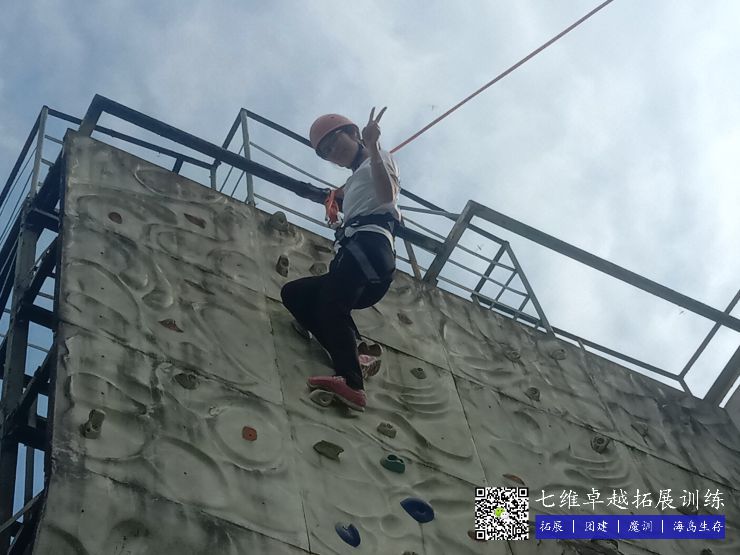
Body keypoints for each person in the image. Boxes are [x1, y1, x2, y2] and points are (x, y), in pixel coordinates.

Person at [280, 108, 401, 411]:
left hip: (369, 246)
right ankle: (356, 354)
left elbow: (387, 195)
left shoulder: (379, 158)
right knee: (295, 294)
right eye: (326, 152)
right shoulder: (357, 178)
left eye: (334, 142)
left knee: (332, 304)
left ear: (353, 134)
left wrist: (373, 146)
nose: (333, 152)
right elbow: (356, 193)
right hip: (354, 253)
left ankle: (352, 384)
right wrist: (334, 197)